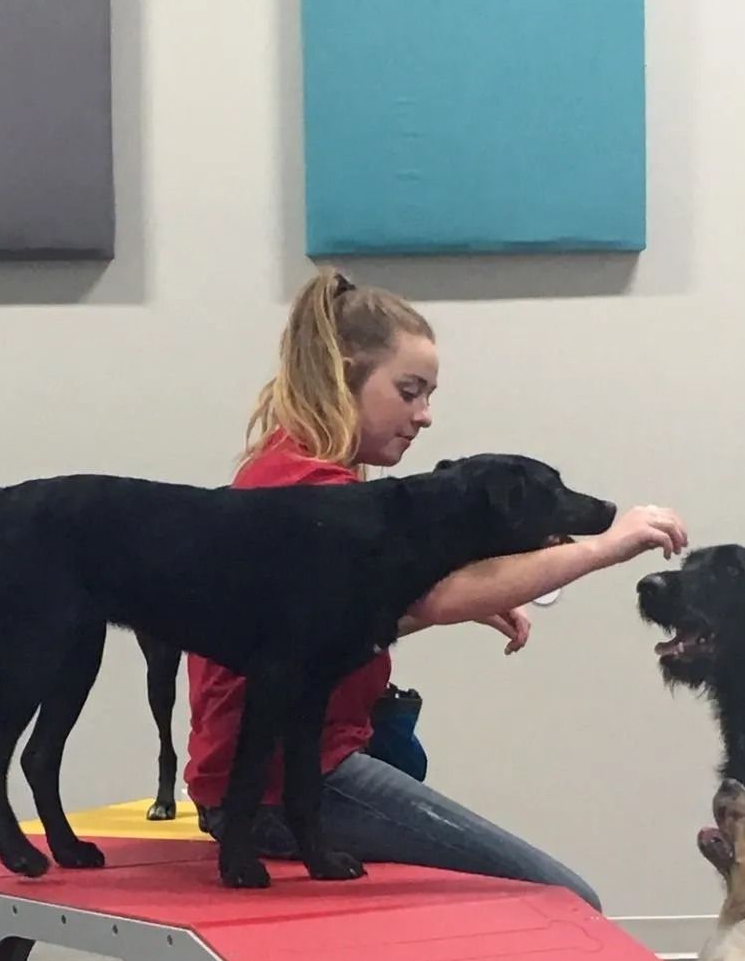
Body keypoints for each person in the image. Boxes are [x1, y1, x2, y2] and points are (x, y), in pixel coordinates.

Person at [183, 269, 689, 909]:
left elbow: (350, 619)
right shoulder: (308, 490)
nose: (424, 415)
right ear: (344, 375)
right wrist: (606, 545)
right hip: (283, 789)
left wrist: (461, 606)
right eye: (409, 391)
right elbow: (437, 595)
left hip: (273, 779)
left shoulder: (296, 467)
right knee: (564, 897)